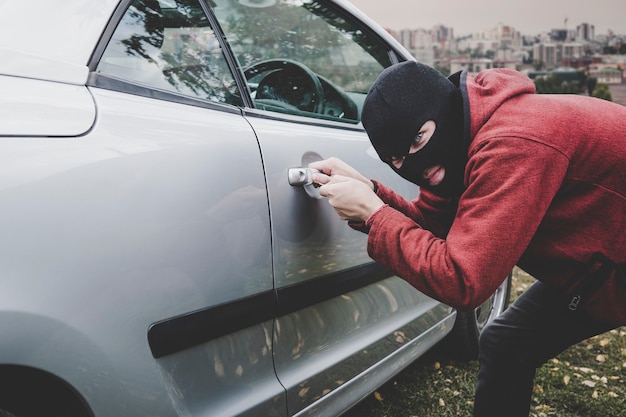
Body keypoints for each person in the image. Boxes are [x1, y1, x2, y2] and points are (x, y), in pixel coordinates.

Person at [309, 61, 626, 417]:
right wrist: (372, 194)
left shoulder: (512, 142)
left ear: (443, 109)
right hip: (603, 262)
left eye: (418, 138)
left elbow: (463, 281)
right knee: (508, 342)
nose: (416, 164)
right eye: (397, 159)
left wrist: (374, 215)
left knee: (510, 341)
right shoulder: (463, 140)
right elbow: (434, 226)